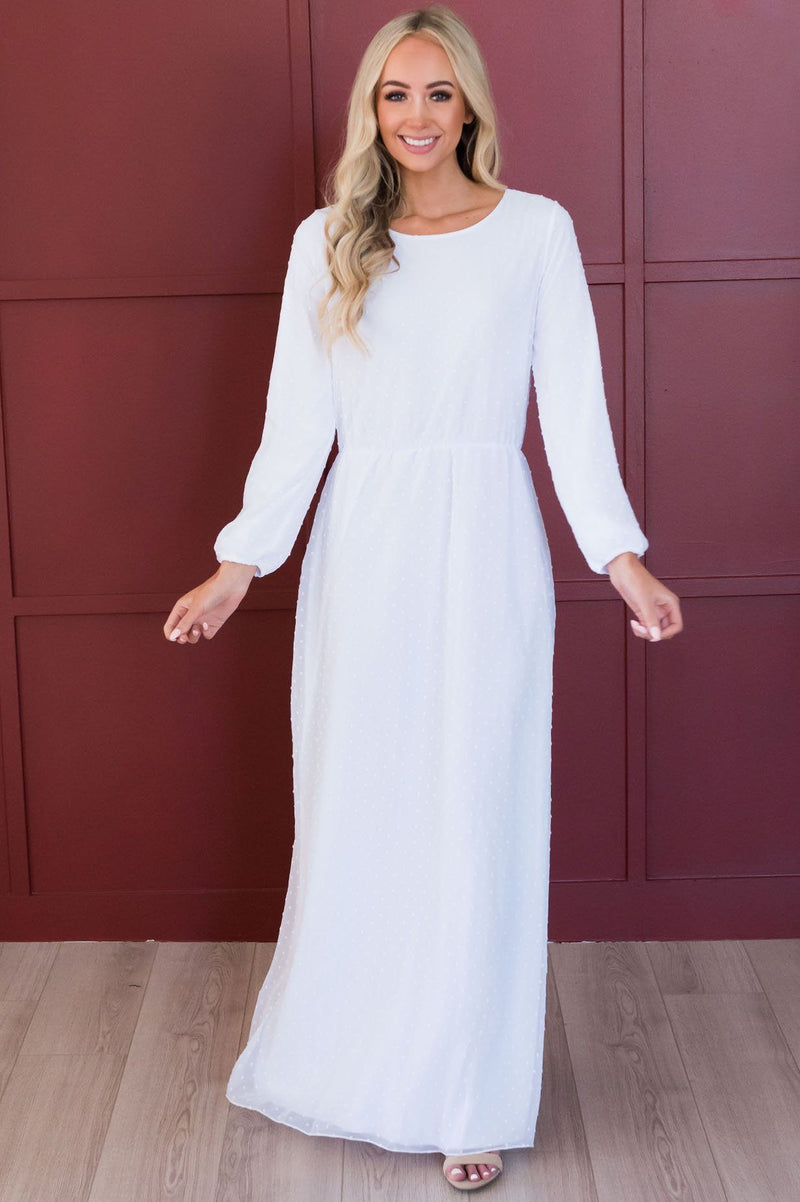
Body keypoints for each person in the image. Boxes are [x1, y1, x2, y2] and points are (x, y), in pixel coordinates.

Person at [164, 4, 683, 1192]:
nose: (414, 115)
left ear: (470, 108)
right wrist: (241, 560)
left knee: (476, 812)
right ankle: (352, 1064)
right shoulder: (328, 240)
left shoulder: (534, 232)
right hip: (366, 551)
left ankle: (466, 1094)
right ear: (370, 110)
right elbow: (296, 421)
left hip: (487, 545)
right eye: (394, 94)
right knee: (363, 803)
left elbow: (571, 412)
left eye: (436, 92)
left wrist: (619, 556)